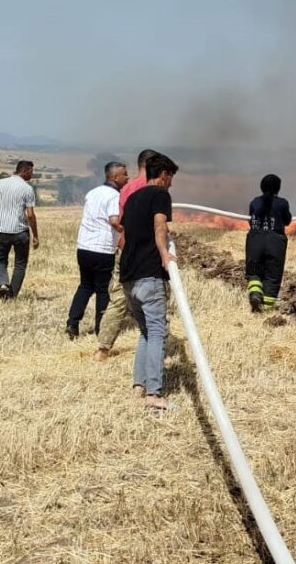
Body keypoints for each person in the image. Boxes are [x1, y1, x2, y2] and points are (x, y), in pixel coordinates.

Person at [120, 152, 178, 410]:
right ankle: (154, 395)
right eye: (171, 178)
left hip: (128, 276)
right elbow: (158, 226)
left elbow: (126, 233)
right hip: (149, 274)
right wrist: (165, 255)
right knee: (157, 333)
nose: (171, 184)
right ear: (163, 175)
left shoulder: (132, 198)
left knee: (145, 332)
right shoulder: (160, 195)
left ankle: (138, 386)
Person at [94, 149, 158, 361]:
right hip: (145, 253)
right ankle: (153, 345)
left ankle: (102, 349)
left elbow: (120, 221)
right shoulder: (152, 187)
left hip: (125, 249)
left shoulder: (127, 188)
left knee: (118, 300)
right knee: (155, 299)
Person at [66, 161, 129, 339]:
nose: (128, 177)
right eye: (125, 174)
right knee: (102, 289)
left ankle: (72, 322)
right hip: (102, 249)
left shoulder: (92, 193)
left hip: (84, 247)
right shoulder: (114, 196)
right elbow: (114, 220)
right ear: (115, 177)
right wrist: (126, 230)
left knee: (85, 285)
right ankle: (100, 328)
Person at [0, 160, 39, 300]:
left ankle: (3, 285)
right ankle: (11, 296)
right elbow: (30, 215)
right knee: (20, 265)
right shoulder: (27, 189)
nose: (32, 174)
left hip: (2, 230)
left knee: (1, 262)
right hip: (20, 232)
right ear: (25, 171)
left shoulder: (1, 183)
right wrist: (35, 235)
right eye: (31, 172)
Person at [245, 174, 292, 312]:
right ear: (278, 188)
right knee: (272, 276)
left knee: (254, 271)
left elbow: (250, 221)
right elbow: (287, 221)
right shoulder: (283, 203)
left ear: (261, 187)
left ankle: (255, 294)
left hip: (255, 241)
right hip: (275, 242)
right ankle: (266, 309)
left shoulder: (254, 202)